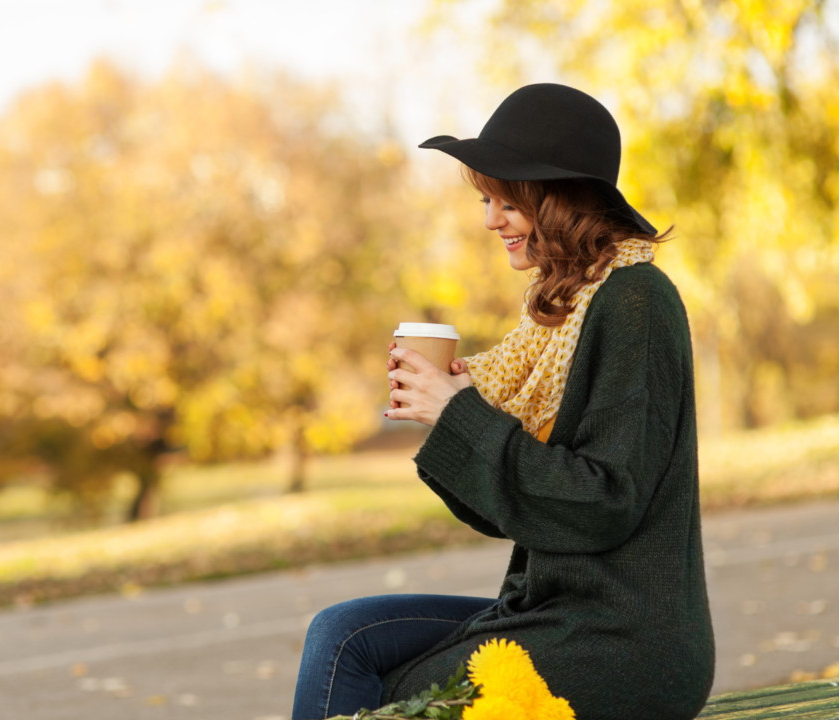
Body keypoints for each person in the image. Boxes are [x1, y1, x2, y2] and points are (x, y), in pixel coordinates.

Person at [290, 84, 715, 720]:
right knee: (343, 635)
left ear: (561, 196)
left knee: (390, 691)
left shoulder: (636, 301)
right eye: (485, 200)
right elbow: (519, 514)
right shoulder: (564, 314)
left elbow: (604, 501)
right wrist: (450, 413)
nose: (489, 220)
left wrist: (458, 416)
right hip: (551, 610)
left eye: (505, 200)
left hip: (622, 639)